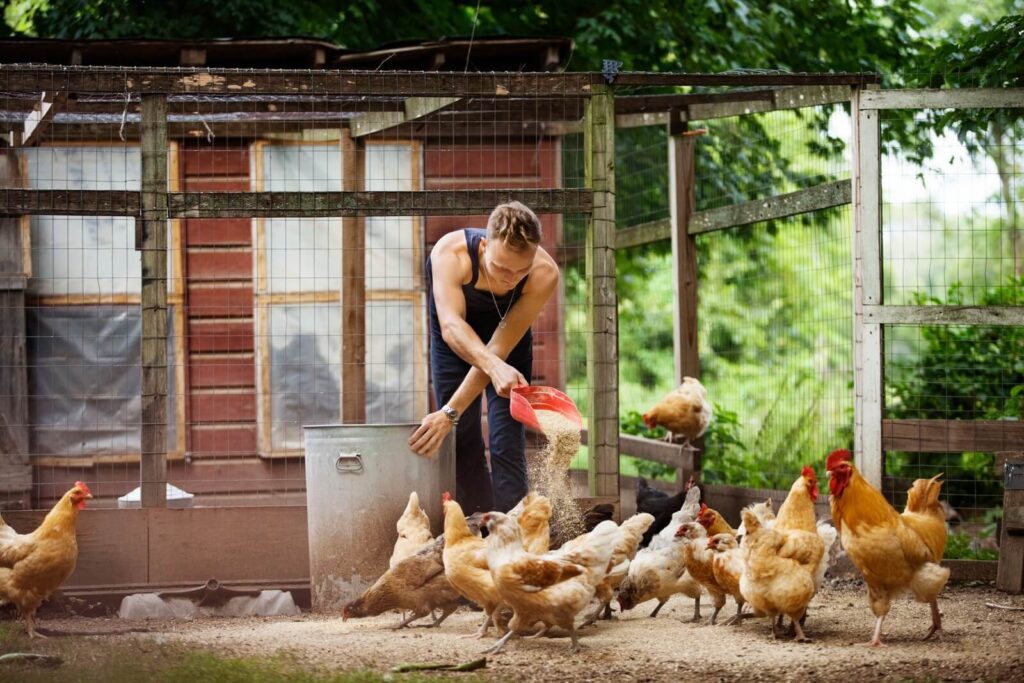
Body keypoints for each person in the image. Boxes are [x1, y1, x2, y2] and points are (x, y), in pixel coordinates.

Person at [409, 201, 558, 514]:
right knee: (462, 437)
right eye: (502, 268)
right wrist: (451, 413)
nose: (510, 279)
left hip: (507, 342)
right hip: (456, 338)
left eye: (521, 270)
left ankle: (512, 534)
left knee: (507, 440)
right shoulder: (450, 255)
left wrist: (497, 365)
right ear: (486, 246)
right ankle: (476, 532)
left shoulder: (544, 274)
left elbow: (501, 346)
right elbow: (451, 327)